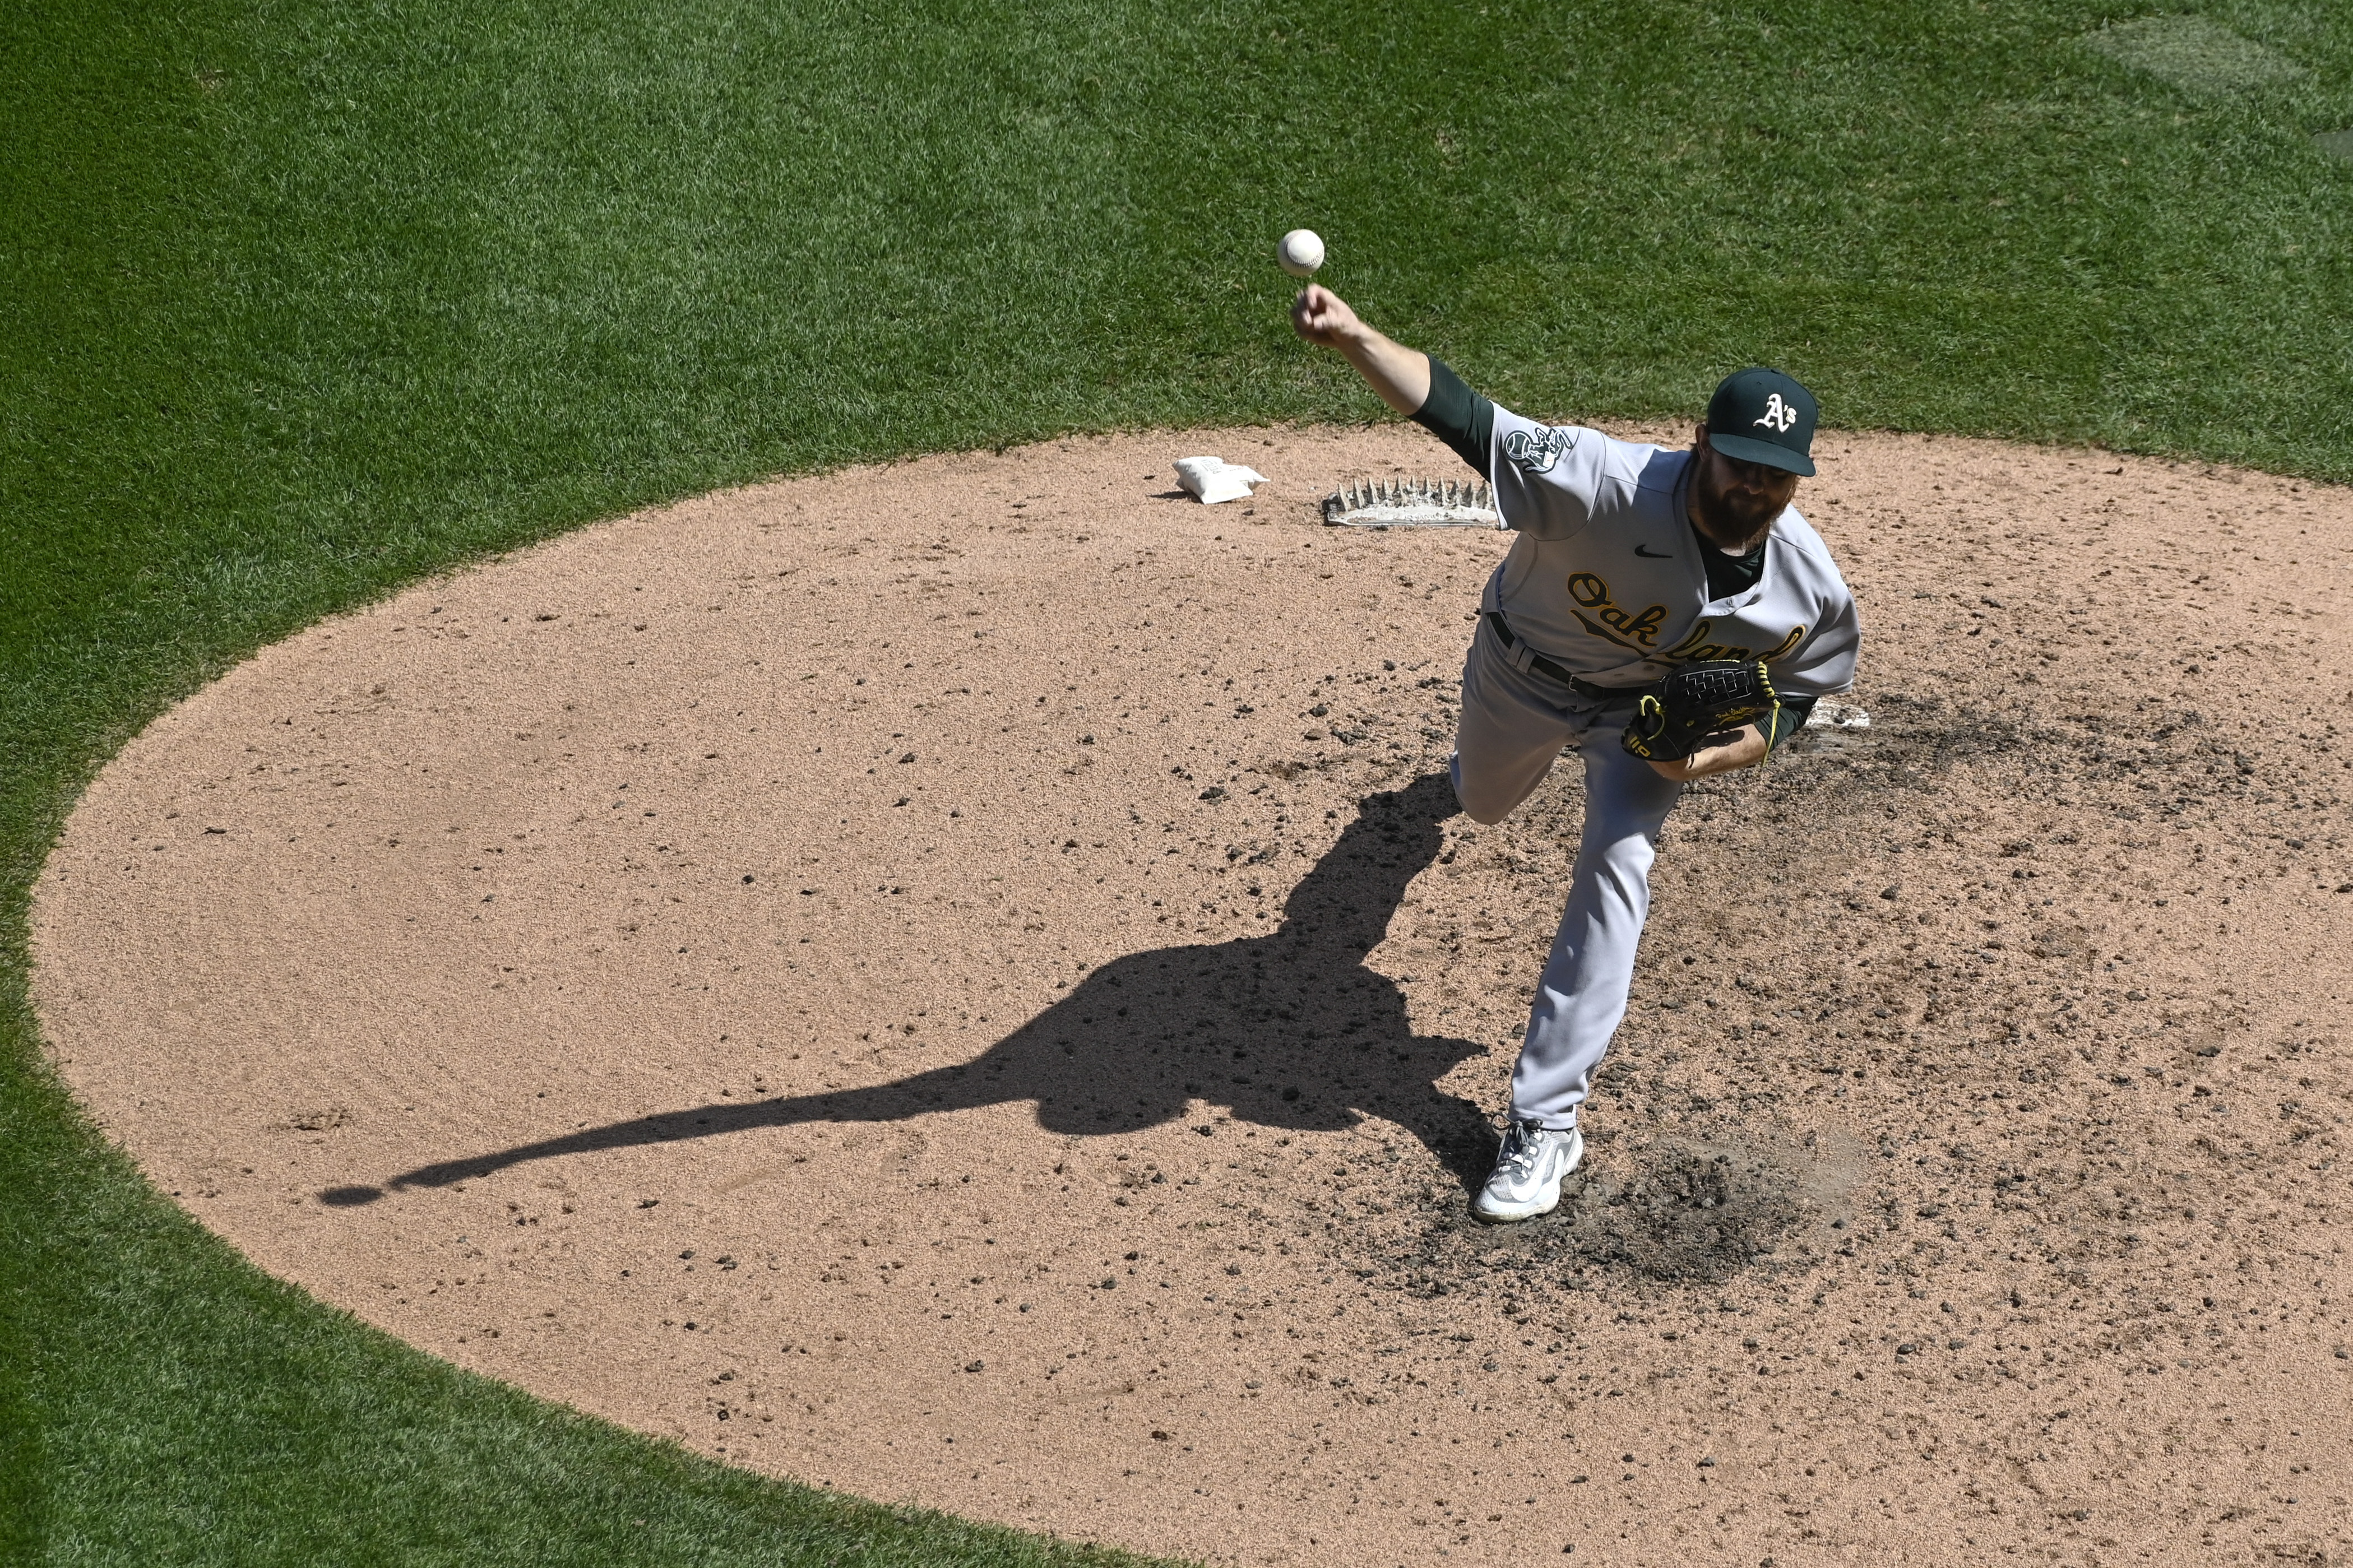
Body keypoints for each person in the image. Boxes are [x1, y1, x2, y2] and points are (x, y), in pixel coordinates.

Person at [1290, 284, 1861, 1223]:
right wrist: (1353, 337)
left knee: (1620, 860)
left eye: (1776, 474)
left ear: (1798, 476)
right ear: (1701, 445)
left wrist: (1717, 759)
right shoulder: (1599, 479)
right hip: (1521, 670)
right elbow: (1464, 416)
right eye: (1739, 464)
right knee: (1480, 802)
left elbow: (1800, 695)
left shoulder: (1807, 585)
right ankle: (1432, 801)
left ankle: (1544, 1120)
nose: (1752, 488)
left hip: (1636, 718)